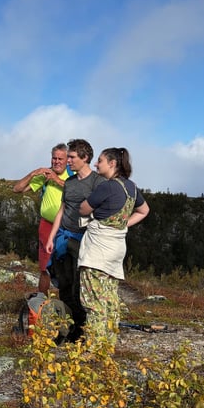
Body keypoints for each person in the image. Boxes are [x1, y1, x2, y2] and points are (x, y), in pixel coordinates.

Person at [77, 147, 150, 343]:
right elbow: (144, 210)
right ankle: (108, 343)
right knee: (110, 298)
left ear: (112, 163)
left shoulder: (107, 187)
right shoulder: (132, 187)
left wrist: (85, 202)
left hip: (98, 248)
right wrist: (124, 224)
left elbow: (84, 209)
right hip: (117, 247)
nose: (95, 164)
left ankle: (94, 347)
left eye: (99, 161)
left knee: (93, 299)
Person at [45, 139, 103, 342]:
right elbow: (62, 210)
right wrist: (52, 237)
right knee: (64, 285)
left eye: (71, 157)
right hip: (63, 239)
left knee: (80, 288)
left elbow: (104, 212)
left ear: (85, 158)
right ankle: (68, 330)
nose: (68, 161)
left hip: (84, 241)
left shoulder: (97, 182)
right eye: (67, 156)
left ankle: (81, 331)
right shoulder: (69, 182)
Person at [13, 143, 71, 294]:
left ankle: (69, 304)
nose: (56, 162)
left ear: (67, 160)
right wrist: (33, 173)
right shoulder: (45, 176)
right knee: (44, 266)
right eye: (54, 158)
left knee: (67, 265)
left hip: (67, 227)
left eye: (60, 159)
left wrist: (56, 180)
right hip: (46, 225)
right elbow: (17, 189)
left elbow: (78, 190)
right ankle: (41, 303)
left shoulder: (73, 176)